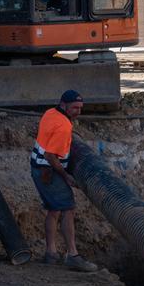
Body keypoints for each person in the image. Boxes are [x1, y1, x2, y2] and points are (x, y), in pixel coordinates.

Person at [29, 89, 98, 272]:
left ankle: (51, 253)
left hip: (38, 168)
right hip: (49, 171)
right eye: (75, 107)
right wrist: (66, 176)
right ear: (63, 105)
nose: (78, 112)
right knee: (68, 209)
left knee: (54, 210)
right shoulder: (64, 126)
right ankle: (73, 255)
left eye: (81, 108)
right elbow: (51, 155)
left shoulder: (50, 113)